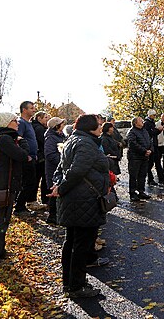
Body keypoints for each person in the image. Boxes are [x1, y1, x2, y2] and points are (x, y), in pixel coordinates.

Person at [48, 114, 109, 298]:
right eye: (98, 125)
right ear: (90, 128)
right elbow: (76, 171)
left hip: (76, 200)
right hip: (84, 200)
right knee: (81, 245)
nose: (101, 128)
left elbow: (60, 169)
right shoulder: (85, 143)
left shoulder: (74, 140)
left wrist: (59, 185)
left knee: (72, 242)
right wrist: (61, 188)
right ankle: (76, 286)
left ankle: (71, 282)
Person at [0, 110, 29, 268]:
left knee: (3, 219)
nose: (17, 123)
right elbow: (22, 156)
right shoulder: (5, 139)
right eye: (15, 120)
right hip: (4, 185)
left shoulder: (4, 138)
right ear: (7, 123)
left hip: (4, 183)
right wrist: (23, 143)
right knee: (0, 220)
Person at [14, 101, 39, 216]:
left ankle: (21, 206)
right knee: (28, 182)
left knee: (30, 182)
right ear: (24, 110)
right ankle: (19, 208)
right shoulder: (21, 123)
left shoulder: (28, 123)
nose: (34, 110)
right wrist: (26, 155)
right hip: (26, 159)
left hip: (32, 157)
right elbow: (17, 139)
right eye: (31, 108)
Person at [44, 117, 66, 225]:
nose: (63, 125)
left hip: (59, 168)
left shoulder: (61, 136)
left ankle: (57, 215)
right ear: (57, 126)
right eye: (62, 123)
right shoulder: (51, 138)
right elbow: (49, 154)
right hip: (53, 169)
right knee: (53, 192)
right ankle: (52, 216)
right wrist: (63, 161)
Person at [126, 116, 153, 201]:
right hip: (135, 157)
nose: (143, 122)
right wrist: (144, 151)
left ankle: (141, 191)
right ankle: (132, 193)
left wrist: (150, 150)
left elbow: (150, 141)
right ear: (135, 123)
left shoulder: (144, 131)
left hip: (144, 157)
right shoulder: (131, 132)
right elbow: (133, 144)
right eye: (140, 121)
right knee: (133, 176)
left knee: (142, 175)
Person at [31, 111, 50, 209]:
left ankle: (34, 199)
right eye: (45, 117)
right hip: (41, 157)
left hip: (38, 156)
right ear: (39, 118)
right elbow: (44, 141)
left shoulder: (35, 127)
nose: (48, 119)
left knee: (37, 179)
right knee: (42, 179)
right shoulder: (39, 129)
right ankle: (43, 200)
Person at [144, 109, 164, 185]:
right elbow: (150, 133)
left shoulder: (151, 122)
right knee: (150, 163)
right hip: (151, 145)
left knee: (157, 162)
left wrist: (158, 131)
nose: (155, 117)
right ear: (150, 115)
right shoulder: (147, 123)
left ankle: (161, 178)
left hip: (155, 144)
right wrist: (158, 130)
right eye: (154, 115)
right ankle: (150, 179)